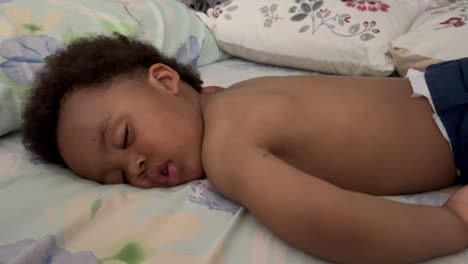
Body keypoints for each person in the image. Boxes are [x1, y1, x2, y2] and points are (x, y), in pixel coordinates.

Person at [22, 34, 468, 264]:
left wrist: (450, 225)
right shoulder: (223, 105)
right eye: (116, 177)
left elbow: (323, 220)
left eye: (123, 138)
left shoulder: (224, 147)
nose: (133, 166)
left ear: (165, 81)